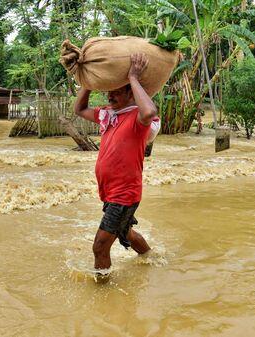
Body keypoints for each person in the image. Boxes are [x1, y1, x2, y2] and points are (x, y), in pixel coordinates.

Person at [73, 53, 157, 276]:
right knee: (125, 232)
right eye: (109, 91)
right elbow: (79, 109)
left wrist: (133, 78)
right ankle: (151, 258)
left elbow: (150, 111)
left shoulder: (138, 118)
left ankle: (102, 296)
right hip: (110, 192)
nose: (110, 96)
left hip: (124, 194)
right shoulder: (108, 116)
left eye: (117, 91)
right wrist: (88, 82)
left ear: (131, 93)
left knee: (100, 246)